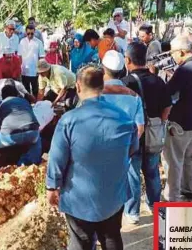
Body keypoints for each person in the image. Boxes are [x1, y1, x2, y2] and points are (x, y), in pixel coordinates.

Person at [46, 64, 138, 250]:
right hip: (114, 195)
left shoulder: (68, 121)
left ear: (78, 86)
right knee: (111, 236)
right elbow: (131, 150)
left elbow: (56, 159)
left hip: (78, 198)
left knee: (81, 241)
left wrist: (51, 186)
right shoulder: (125, 119)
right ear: (102, 86)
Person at [121, 42, 172, 224]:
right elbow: (167, 106)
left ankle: (133, 212)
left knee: (133, 175)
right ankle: (154, 206)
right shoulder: (158, 80)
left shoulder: (125, 84)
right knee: (152, 173)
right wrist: (159, 123)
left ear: (127, 60)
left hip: (133, 136)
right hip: (154, 135)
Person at [162, 35, 192, 201]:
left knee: (174, 160)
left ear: (181, 52)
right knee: (190, 158)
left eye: (173, 53)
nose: (172, 57)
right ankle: (189, 189)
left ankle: (172, 195)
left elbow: (168, 92)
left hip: (180, 121)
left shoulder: (184, 69)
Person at [0, 84, 42, 167]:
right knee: (37, 137)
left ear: (2, 96)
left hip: (9, 138)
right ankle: (29, 162)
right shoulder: (24, 101)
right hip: (32, 134)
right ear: (16, 94)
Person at [102, 50, 145, 138]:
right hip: (125, 148)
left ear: (103, 69)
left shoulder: (93, 94)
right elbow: (140, 128)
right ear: (122, 71)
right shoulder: (134, 97)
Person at [18, 25, 45, 96]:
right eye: (28, 33)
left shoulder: (39, 42)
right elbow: (19, 56)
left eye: (32, 33)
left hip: (34, 71)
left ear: (34, 32)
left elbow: (41, 57)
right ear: (25, 33)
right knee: (25, 91)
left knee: (35, 90)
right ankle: (27, 105)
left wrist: (40, 70)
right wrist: (19, 68)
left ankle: (36, 105)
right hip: (24, 70)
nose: (30, 35)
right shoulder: (22, 41)